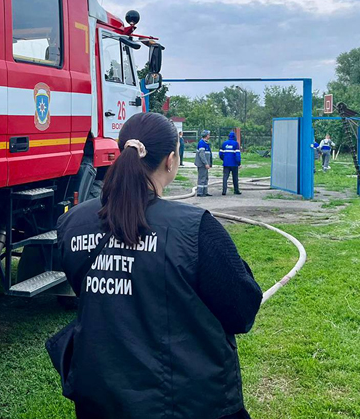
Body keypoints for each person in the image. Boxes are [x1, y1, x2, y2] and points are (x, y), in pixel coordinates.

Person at [56, 112, 262, 419]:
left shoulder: (72, 222)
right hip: (188, 402)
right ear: (171, 159)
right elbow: (242, 312)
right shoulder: (196, 229)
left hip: (100, 396)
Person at [220, 131, 242, 195]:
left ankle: (224, 191)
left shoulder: (224, 143)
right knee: (235, 177)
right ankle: (236, 190)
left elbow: (220, 154)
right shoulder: (236, 144)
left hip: (226, 163)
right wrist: (239, 163)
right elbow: (237, 155)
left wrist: (224, 159)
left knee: (225, 177)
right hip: (234, 164)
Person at [195, 130, 213, 196]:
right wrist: (206, 163)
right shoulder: (202, 143)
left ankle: (205, 192)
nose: (209, 136)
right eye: (208, 134)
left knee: (205, 178)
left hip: (205, 164)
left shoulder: (206, 143)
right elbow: (202, 155)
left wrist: (209, 163)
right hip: (202, 164)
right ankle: (200, 192)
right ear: (206, 135)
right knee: (202, 178)